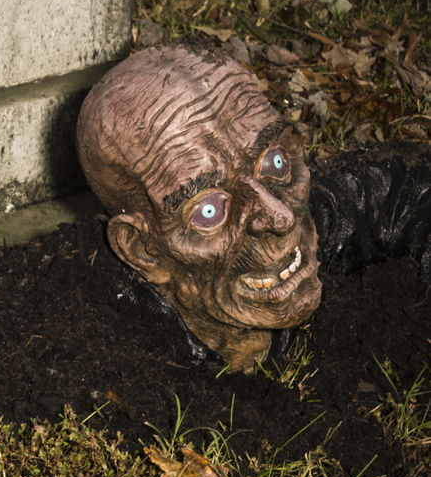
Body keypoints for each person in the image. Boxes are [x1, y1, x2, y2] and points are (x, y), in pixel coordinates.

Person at [76, 41, 431, 370]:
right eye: (209, 210)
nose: (280, 216)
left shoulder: (313, 217)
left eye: (273, 162)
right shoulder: (117, 358)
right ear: (143, 250)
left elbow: (407, 189)